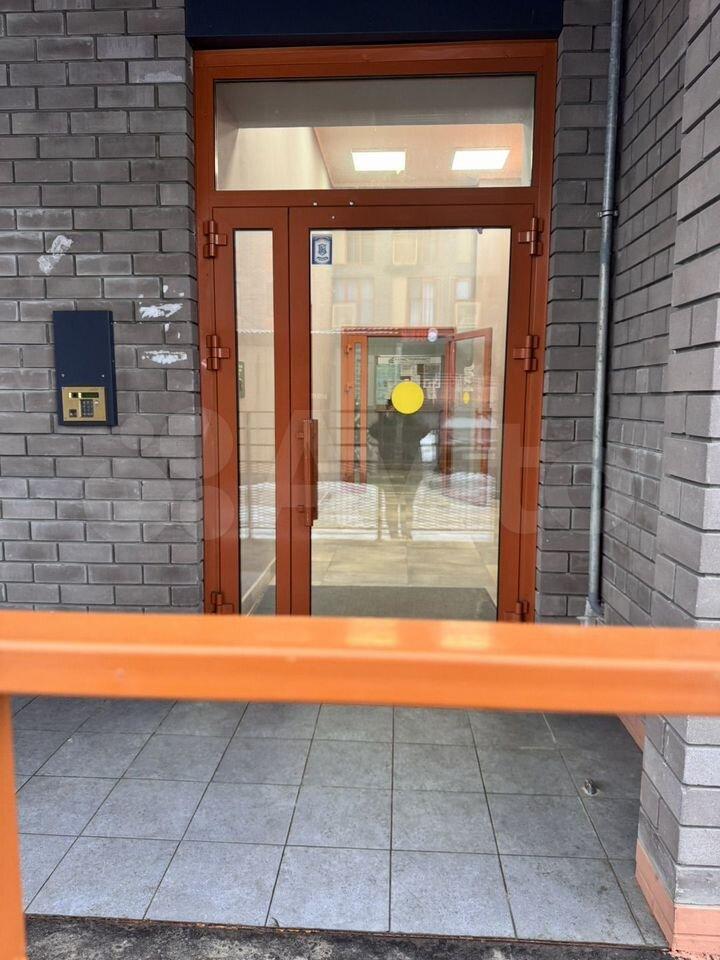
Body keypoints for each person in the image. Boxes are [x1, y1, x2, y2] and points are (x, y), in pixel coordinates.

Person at [368, 395, 435, 539]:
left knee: (407, 503)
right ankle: (394, 535)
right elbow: (373, 430)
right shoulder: (387, 421)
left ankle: (406, 534)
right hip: (389, 469)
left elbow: (426, 428)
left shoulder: (414, 420)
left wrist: (411, 411)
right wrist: (387, 415)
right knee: (392, 504)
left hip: (410, 469)